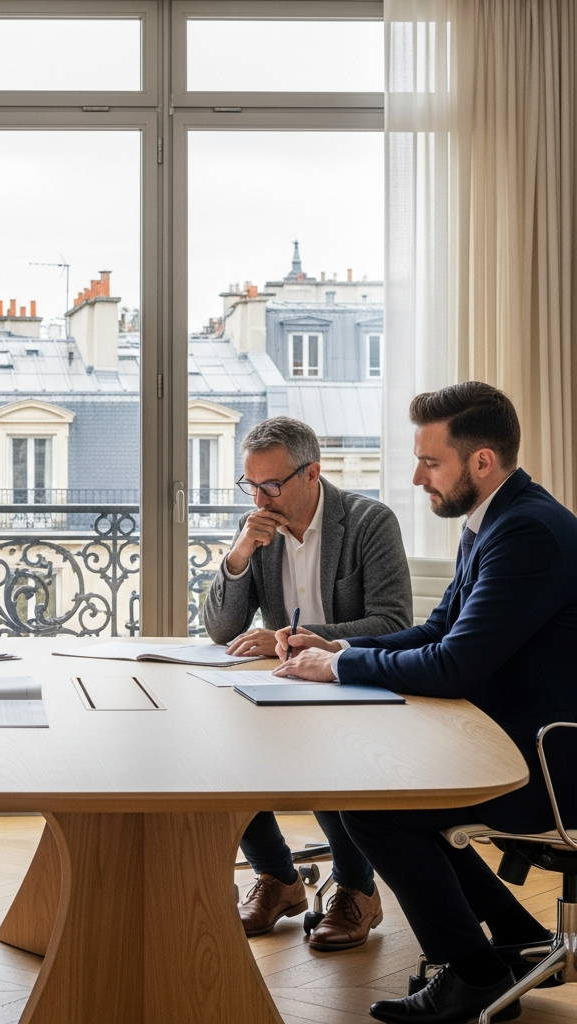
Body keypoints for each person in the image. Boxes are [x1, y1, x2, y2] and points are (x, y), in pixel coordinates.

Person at [274, 382, 577, 1024]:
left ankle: (470, 974)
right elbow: (439, 630)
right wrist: (331, 648)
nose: (416, 477)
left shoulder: (527, 533)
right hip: (509, 740)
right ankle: (516, 942)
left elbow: (453, 665)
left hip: (549, 763)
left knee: (378, 807)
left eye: (430, 462)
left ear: (482, 462)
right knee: (387, 796)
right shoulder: (494, 519)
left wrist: (341, 667)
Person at [202, 417, 413, 950]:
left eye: (270, 484)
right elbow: (221, 628)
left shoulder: (369, 522)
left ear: (312, 473)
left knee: (320, 756)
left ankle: (357, 889)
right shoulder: (261, 528)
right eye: (249, 484)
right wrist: (238, 556)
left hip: (353, 682)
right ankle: (279, 879)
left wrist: (302, 636)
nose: (259, 497)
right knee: (219, 753)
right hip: (285, 683)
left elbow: (394, 624)